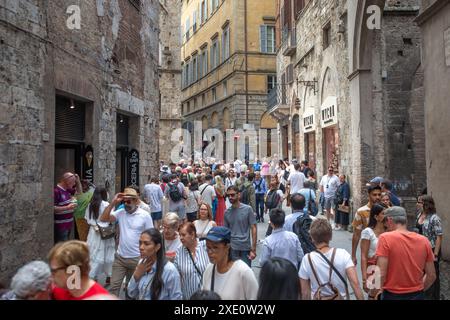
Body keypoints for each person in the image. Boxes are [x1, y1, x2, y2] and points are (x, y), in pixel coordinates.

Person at [99, 187, 154, 297]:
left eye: (128, 201)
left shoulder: (144, 215)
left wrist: (149, 258)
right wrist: (113, 202)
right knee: (114, 287)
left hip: (137, 259)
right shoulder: (121, 212)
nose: (125, 203)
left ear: (135, 200)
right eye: (124, 201)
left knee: (131, 291)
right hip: (120, 258)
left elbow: (151, 236)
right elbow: (103, 218)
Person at [375, 206, 436, 300]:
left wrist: (372, 293)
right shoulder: (424, 241)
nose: (384, 226)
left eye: (384, 222)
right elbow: (431, 275)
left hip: (392, 295)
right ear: (405, 221)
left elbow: (381, 273)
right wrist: (419, 290)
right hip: (417, 294)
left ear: (389, 220)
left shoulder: (385, 238)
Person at [299, 219, 364, 300]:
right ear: (331, 236)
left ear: (312, 238)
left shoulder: (307, 259)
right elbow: (355, 284)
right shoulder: (343, 254)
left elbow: (305, 292)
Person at [202, 226, 259, 300]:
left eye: (215, 247)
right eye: (208, 247)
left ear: (227, 247)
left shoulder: (243, 272)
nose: (210, 252)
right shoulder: (209, 269)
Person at [127, 229, 182, 300]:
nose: (141, 247)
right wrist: (136, 276)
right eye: (140, 243)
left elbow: (176, 298)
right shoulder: (141, 263)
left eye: (146, 244)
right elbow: (131, 293)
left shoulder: (169, 270)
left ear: (157, 247)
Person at [84, 187, 115, 285]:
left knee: (94, 254)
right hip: (106, 232)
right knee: (108, 253)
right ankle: (109, 276)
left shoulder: (90, 205)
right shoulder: (106, 204)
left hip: (94, 232)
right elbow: (111, 218)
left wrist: (95, 223)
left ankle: (93, 276)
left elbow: (87, 219)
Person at [416, 195, 443, 300]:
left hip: (431, 249)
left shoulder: (434, 218)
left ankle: (434, 296)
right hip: (420, 249)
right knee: (423, 272)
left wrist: (435, 254)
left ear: (425, 204)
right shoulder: (419, 215)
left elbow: (439, 237)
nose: (417, 204)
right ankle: (424, 294)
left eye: (419, 202)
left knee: (433, 274)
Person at [174, 222, 210, 299]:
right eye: (180, 235)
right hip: (188, 296)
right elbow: (177, 276)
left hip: (207, 296)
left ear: (192, 234)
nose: (181, 238)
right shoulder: (179, 251)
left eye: (183, 235)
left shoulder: (205, 246)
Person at [224, 185, 258, 267]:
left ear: (239, 195)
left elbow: (254, 228)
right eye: (228, 195)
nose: (230, 197)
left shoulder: (248, 209)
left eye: (232, 195)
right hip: (232, 248)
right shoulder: (226, 212)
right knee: (234, 274)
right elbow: (226, 232)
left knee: (246, 274)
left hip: (245, 248)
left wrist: (253, 249)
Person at [351, 185, 381, 266]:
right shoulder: (361, 211)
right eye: (374, 195)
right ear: (369, 195)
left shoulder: (385, 211)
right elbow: (356, 234)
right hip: (369, 251)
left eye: (379, 194)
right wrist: (353, 255)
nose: (377, 197)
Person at [360, 204, 386, 297]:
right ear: (376, 216)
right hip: (373, 269)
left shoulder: (389, 232)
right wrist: (364, 278)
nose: (386, 216)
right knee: (373, 295)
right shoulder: (368, 232)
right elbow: (363, 256)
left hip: (387, 268)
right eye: (383, 213)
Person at [53, 172, 82, 243]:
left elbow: (79, 192)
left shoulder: (67, 189)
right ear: (67, 182)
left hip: (68, 224)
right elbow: (53, 208)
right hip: (61, 226)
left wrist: (78, 181)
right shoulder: (56, 191)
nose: (74, 184)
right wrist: (67, 207)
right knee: (62, 248)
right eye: (73, 182)